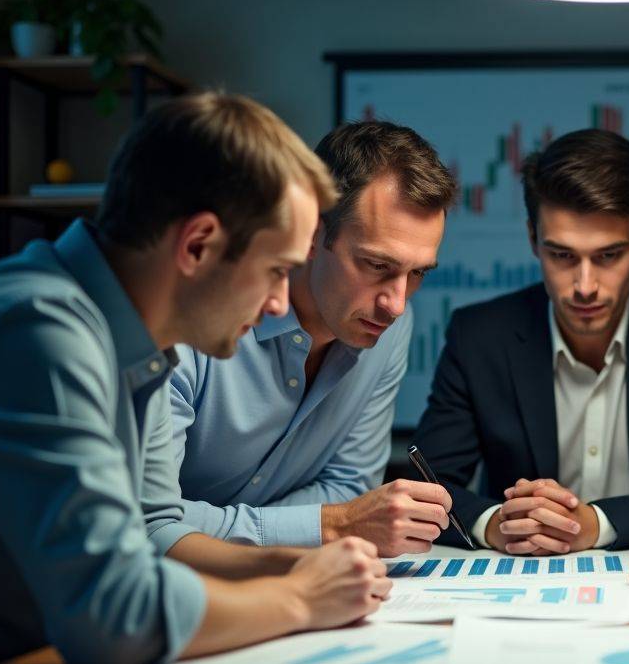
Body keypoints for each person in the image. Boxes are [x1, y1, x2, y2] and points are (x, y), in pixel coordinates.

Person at [0, 92, 390, 664]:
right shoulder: (35, 331)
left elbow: (154, 535)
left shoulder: (140, 344)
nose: (279, 302)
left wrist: (298, 565)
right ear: (197, 245)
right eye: (276, 270)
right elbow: (115, 618)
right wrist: (301, 599)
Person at [411, 128, 629, 553]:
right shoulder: (479, 335)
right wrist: (495, 524)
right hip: (520, 580)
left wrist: (597, 523)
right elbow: (423, 485)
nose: (585, 286)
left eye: (608, 256)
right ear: (532, 239)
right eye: (562, 255)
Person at [142, 120, 459, 568]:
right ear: (312, 233)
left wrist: (321, 522)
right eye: (376, 265)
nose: (397, 303)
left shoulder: (389, 327)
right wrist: (330, 526)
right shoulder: (188, 318)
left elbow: (347, 490)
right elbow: (150, 524)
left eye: (419, 273)